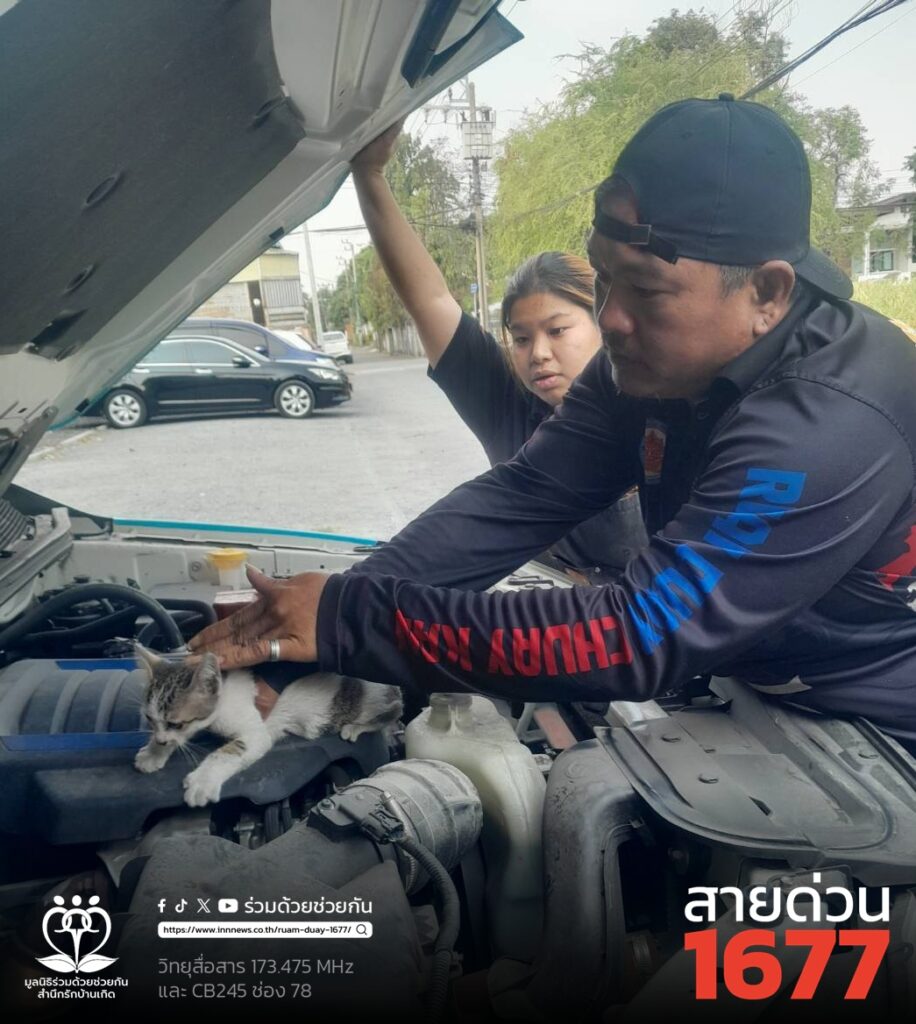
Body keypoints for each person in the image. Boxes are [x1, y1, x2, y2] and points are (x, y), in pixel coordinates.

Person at [190, 95, 916, 753]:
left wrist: (355, 620)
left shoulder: (829, 418)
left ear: (766, 293)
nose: (612, 318)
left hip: (881, 733)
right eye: (605, 276)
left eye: (647, 289)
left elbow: (640, 632)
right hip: (755, 694)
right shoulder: (651, 363)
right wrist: (311, 634)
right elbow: (523, 495)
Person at [350, 122, 646, 577]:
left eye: (557, 330)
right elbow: (430, 300)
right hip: (544, 615)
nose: (538, 353)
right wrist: (369, 175)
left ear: (604, 318)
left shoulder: (659, 400)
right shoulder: (506, 405)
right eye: (521, 338)